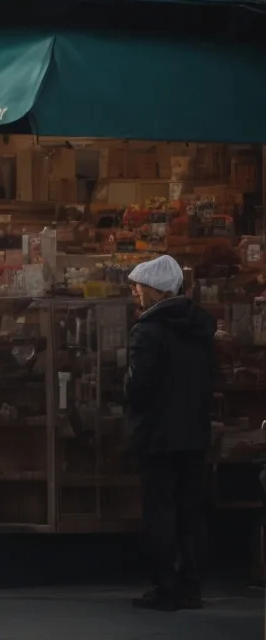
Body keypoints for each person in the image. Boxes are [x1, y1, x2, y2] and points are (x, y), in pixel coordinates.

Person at [122, 255, 214, 611]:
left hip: (157, 435)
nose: (135, 293)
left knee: (160, 511)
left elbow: (137, 387)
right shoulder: (201, 328)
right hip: (194, 433)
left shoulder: (147, 330)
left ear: (156, 291)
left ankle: (165, 586)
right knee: (191, 511)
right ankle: (191, 586)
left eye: (139, 287)